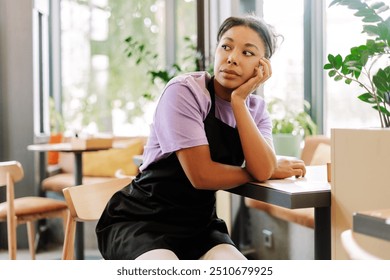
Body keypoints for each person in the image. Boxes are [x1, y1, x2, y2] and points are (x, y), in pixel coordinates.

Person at [96, 15, 306, 260]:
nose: (232, 58)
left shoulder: (256, 111)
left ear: (262, 67)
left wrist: (239, 102)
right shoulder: (185, 91)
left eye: (247, 53)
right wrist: (263, 170)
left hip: (199, 227)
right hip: (141, 221)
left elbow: (263, 169)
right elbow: (202, 175)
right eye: (226, 46)